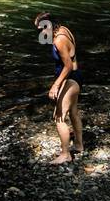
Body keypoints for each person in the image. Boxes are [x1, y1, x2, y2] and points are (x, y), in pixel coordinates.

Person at [34, 11, 83, 165]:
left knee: (59, 116)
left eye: (42, 28)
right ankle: (79, 145)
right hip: (76, 77)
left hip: (70, 79)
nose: (41, 32)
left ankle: (65, 154)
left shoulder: (59, 41)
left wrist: (56, 85)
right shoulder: (64, 30)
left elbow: (67, 66)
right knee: (73, 111)